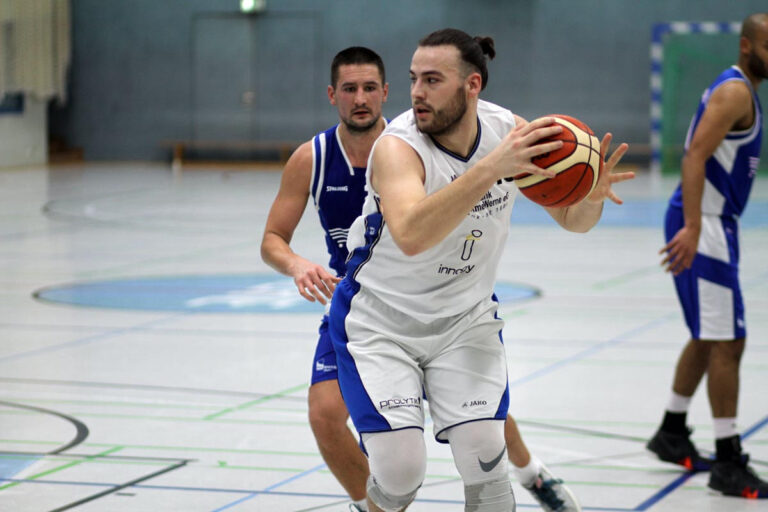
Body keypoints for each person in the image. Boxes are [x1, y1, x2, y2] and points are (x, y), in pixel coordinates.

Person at [261, 46, 585, 512]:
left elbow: (570, 214)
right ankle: (372, 502)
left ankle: (531, 472)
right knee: (334, 421)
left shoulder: (447, 134)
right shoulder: (325, 157)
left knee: (480, 428)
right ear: (332, 95)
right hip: (370, 302)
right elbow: (274, 237)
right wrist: (297, 264)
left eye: (370, 88)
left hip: (454, 301)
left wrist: (586, 191)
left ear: (383, 92)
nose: (361, 98)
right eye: (350, 89)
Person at [328, 29, 632, 512]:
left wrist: (589, 197)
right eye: (413, 80)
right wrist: (491, 168)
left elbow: (574, 221)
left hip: (465, 324)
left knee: (489, 477)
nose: (417, 93)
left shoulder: (509, 131)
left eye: (432, 80)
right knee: (401, 478)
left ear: (472, 86)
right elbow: (410, 235)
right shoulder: (397, 147)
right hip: (381, 324)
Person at [647, 12, 768, 499]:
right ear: (746, 46)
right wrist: (695, 227)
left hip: (716, 224)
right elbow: (694, 155)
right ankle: (728, 461)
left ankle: (672, 431)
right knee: (728, 342)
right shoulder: (735, 91)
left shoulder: (743, 90)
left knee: (708, 334)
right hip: (707, 224)